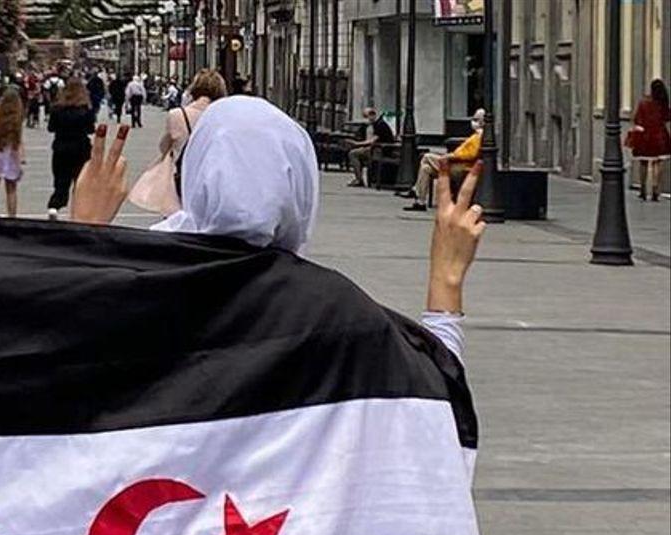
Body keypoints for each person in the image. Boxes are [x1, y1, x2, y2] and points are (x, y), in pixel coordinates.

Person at [70, 96, 487, 369]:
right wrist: (446, 278)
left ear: (196, 172)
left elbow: (60, 351)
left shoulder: (140, 282)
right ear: (300, 186)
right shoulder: (334, 310)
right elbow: (431, 404)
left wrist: (84, 236)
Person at [401, 109, 485, 211]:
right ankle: (420, 202)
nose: (473, 121)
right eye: (473, 118)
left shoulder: (480, 136)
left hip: (461, 166)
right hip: (456, 163)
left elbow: (470, 154)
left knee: (427, 157)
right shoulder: (476, 135)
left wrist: (451, 156)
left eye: (476, 119)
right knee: (425, 168)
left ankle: (415, 190)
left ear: (483, 121)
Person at [46, 79, 99, 219]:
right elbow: (90, 129)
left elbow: (51, 128)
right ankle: (77, 212)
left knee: (61, 182)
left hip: (61, 148)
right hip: (80, 147)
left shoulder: (57, 109)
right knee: (80, 182)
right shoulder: (85, 110)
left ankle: (54, 206)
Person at [628, 79, 670, 202]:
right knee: (658, 162)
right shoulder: (663, 103)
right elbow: (667, 117)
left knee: (643, 162)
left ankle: (643, 189)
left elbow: (637, 118)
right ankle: (655, 189)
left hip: (645, 136)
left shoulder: (643, 103)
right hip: (660, 136)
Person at [347, 107, 395, 187]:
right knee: (357, 152)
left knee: (353, 154)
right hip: (375, 149)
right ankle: (358, 177)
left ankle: (359, 179)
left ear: (372, 115)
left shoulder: (380, 125)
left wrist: (357, 144)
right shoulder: (372, 125)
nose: (366, 119)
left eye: (366, 116)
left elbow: (372, 140)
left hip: (381, 150)